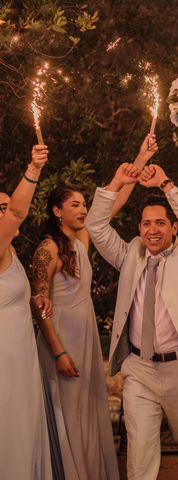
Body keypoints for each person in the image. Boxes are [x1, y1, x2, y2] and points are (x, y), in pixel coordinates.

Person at [32, 135, 157, 480]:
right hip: (61, 339)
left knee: (86, 411)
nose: (83, 209)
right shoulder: (47, 249)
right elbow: (38, 306)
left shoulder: (83, 238)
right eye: (75, 204)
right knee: (67, 412)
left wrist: (141, 156)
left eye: (84, 204)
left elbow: (112, 204)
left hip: (85, 336)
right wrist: (58, 352)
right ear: (57, 211)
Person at [85, 161, 178, 480]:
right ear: (139, 229)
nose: (152, 230)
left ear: (173, 227)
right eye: (146, 224)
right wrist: (117, 181)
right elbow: (96, 226)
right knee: (140, 457)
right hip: (139, 370)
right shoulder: (130, 253)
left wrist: (166, 185)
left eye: (160, 223)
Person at [0, 145, 53, 479]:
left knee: (27, 428)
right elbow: (18, 215)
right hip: (4, 361)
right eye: (0, 209)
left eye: (6, 207)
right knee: (11, 432)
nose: (6, 214)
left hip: (22, 356)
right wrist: (33, 169)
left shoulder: (12, 252)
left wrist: (36, 300)